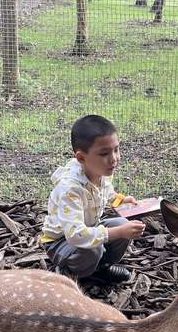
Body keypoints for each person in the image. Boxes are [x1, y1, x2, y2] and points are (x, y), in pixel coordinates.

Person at [40, 114, 145, 285]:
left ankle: (100, 268)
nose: (114, 158)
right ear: (81, 158)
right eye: (104, 153)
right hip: (61, 241)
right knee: (95, 246)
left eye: (116, 149)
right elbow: (75, 235)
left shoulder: (100, 171)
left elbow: (106, 193)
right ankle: (69, 272)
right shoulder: (70, 189)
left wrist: (122, 200)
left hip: (89, 227)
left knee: (121, 223)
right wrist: (118, 233)